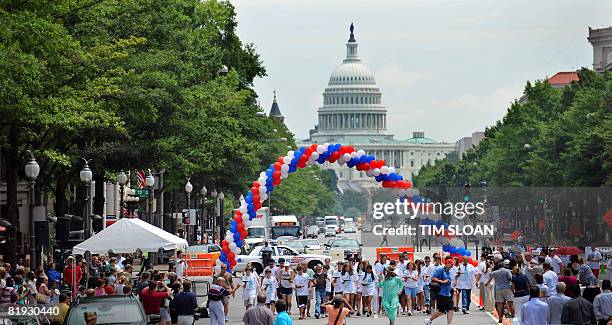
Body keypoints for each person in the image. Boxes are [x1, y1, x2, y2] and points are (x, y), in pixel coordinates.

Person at [425, 258, 455, 325]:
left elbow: (448, 281)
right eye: (450, 265)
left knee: (450, 309)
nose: (451, 267)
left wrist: (447, 282)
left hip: (448, 294)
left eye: (452, 265)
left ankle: (449, 324)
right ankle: (429, 320)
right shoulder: (440, 270)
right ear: (446, 264)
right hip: (441, 294)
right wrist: (441, 281)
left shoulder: (448, 272)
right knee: (441, 311)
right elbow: (432, 278)